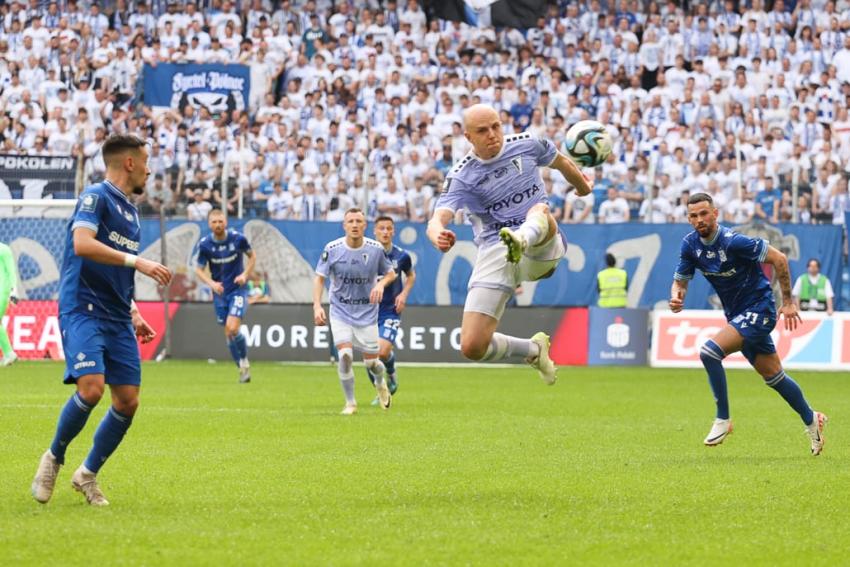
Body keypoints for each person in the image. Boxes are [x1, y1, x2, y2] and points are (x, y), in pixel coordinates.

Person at [31, 134, 173, 506]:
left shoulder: (131, 211)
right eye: (145, 161)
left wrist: (134, 311)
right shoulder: (96, 195)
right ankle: (54, 458)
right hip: (83, 307)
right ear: (129, 163)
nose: (148, 168)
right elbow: (83, 243)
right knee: (91, 388)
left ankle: (87, 474)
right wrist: (139, 261)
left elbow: (116, 273)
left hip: (117, 314)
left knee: (127, 402)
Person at [426, 104, 592, 383]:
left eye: (496, 126)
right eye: (482, 130)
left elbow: (562, 162)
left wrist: (582, 186)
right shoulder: (462, 175)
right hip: (496, 251)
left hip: (541, 243)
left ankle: (521, 239)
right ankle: (532, 350)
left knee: (539, 210)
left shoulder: (527, 143)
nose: (492, 134)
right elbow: (436, 219)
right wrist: (438, 235)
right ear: (468, 137)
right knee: (473, 346)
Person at [670, 192, 826, 455]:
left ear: (715, 213)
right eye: (694, 216)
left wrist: (787, 301)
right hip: (737, 315)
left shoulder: (734, 242)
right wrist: (677, 295)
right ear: (689, 219)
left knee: (709, 352)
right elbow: (681, 279)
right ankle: (813, 420)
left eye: (704, 213)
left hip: (760, 309)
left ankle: (723, 419)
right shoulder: (690, 245)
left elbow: (780, 258)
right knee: (775, 377)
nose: (699, 220)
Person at [313, 208, 397, 415]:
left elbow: (391, 273)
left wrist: (380, 285)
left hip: (367, 314)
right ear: (344, 225)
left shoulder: (376, 249)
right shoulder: (332, 249)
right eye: (350, 221)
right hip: (340, 311)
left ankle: (380, 383)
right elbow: (319, 278)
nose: (355, 225)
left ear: (364, 225)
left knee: (372, 363)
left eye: (359, 221)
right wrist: (317, 305)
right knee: (345, 356)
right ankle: (350, 403)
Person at [194, 209, 256, 383]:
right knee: (228, 333)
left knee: (233, 327)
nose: (218, 225)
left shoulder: (238, 239)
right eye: (214, 222)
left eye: (220, 221)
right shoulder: (205, 244)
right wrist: (212, 284)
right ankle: (242, 369)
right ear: (209, 224)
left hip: (238, 290)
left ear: (226, 222)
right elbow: (198, 269)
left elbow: (252, 257)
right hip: (220, 294)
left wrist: (245, 275)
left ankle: (244, 361)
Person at [366, 216, 416, 402]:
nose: (385, 232)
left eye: (389, 228)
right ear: (375, 231)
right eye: (381, 228)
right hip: (367, 310)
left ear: (393, 231)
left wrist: (403, 295)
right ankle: (381, 390)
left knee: (382, 351)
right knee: (369, 355)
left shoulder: (402, 256)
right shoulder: (365, 254)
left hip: (389, 310)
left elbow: (411, 276)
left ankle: (391, 372)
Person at [0, 241, 19, 366]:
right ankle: (9, 353)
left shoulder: (3, 249)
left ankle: (9, 353)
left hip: (2, 290)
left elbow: (11, 271)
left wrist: (14, 290)